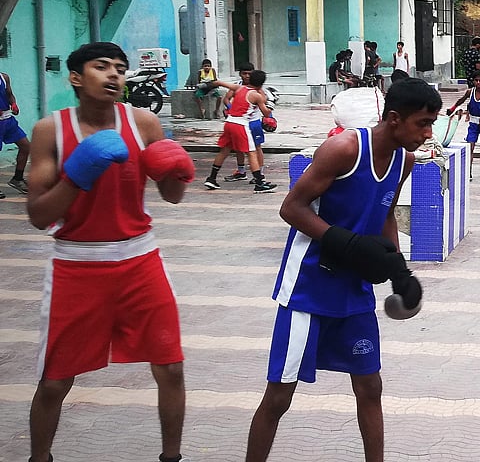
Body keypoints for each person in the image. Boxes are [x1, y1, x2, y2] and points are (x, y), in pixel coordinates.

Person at [244, 77, 441, 462]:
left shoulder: (404, 160)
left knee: (370, 388)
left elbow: (384, 215)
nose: (428, 133)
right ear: (396, 119)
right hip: (308, 290)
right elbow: (292, 208)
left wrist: (399, 270)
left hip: (354, 293)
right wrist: (347, 244)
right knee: (279, 396)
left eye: (432, 123)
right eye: (423, 123)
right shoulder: (344, 148)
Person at [24, 42, 196, 462]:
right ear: (77, 77)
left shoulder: (143, 122)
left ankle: (171, 458)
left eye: (121, 68)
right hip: (77, 265)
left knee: (171, 368)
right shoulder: (51, 130)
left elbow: (170, 196)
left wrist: (177, 170)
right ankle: (38, 458)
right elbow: (38, 216)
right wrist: (77, 174)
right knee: (54, 381)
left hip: (140, 259)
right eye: (102, 67)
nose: (115, 75)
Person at [201, 70, 276, 193]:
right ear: (261, 83)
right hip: (241, 124)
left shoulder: (239, 88)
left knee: (224, 150)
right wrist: (271, 103)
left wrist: (207, 85)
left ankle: (211, 178)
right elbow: (266, 113)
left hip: (229, 122)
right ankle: (259, 183)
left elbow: (220, 82)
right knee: (251, 153)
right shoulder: (256, 95)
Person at [218, 62, 254, 181]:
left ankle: (260, 175)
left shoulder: (256, 86)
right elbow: (226, 99)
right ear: (240, 74)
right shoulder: (237, 85)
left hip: (253, 121)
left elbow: (264, 104)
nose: (247, 76)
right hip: (239, 122)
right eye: (244, 74)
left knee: (254, 149)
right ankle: (241, 171)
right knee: (239, 148)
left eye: (250, 74)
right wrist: (231, 109)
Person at [0, 69, 30, 198]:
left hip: (8, 120)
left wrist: (13, 104)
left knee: (26, 146)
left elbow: (9, 94)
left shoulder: (4, 77)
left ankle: (18, 178)